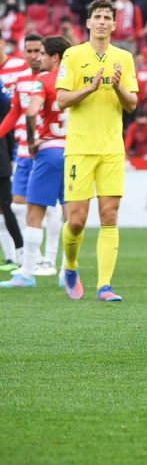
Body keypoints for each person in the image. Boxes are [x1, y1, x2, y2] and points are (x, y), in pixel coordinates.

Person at [56, 0, 139, 302]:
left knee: (109, 214)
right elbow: (61, 100)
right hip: (79, 148)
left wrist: (116, 86)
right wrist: (90, 88)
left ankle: (104, 285)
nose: (103, 21)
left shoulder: (124, 58)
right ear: (88, 23)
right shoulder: (73, 55)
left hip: (111, 149)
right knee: (76, 221)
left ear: (114, 24)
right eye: (98, 17)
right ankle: (71, 266)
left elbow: (132, 104)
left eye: (108, 17)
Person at [0, 37, 70, 288]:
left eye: (39, 52)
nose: (35, 56)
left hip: (43, 148)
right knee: (22, 206)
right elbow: (15, 112)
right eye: (31, 51)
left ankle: (44, 262)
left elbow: (30, 113)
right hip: (28, 151)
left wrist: (33, 140)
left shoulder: (45, 81)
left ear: (51, 56)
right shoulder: (22, 80)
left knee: (43, 210)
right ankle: (55, 266)